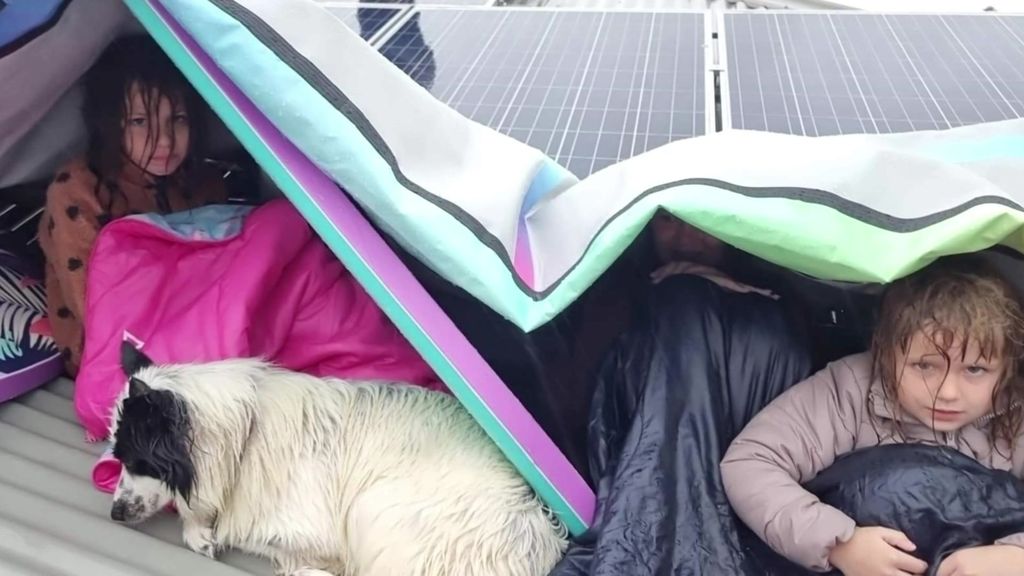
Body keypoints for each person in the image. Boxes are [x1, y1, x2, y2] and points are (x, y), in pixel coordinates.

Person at [722, 255, 1024, 576]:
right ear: (886, 353)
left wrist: (1015, 555)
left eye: (975, 370)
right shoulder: (850, 391)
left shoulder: (1016, 413)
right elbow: (751, 461)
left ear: (1007, 369)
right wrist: (840, 544)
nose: (948, 392)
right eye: (925, 366)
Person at [38, 35, 227, 376]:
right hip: (113, 355)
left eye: (178, 119)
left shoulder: (202, 182)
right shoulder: (78, 190)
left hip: (201, 334)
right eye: (140, 121)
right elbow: (91, 307)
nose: (164, 140)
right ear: (108, 123)